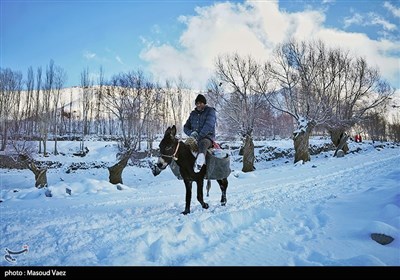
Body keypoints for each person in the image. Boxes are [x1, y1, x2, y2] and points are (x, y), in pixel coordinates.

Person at [184, 94, 216, 173]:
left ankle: (199, 164)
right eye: (197, 103)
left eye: (201, 103)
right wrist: (192, 133)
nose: (198, 105)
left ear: (204, 103)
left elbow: (209, 125)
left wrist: (198, 136)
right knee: (183, 147)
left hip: (207, 138)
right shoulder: (193, 114)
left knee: (203, 143)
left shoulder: (210, 111)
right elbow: (185, 127)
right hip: (193, 138)